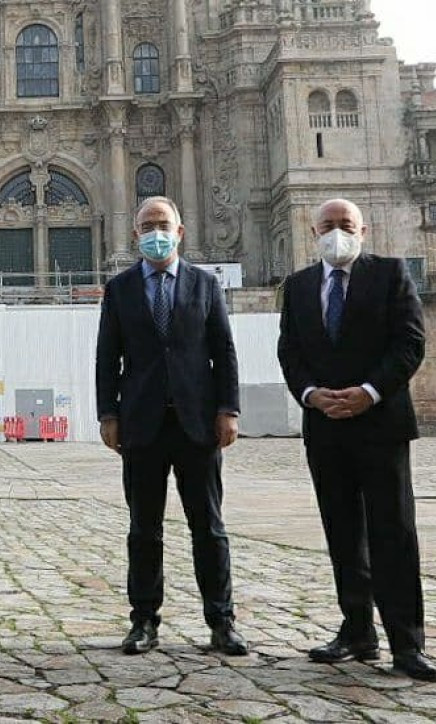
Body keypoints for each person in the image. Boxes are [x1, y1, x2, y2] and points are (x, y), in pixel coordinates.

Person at [277, 198, 435, 681]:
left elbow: (410, 342)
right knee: (342, 532)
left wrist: (369, 392)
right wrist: (310, 394)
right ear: (313, 233)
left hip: (380, 424)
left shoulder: (389, 275)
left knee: (394, 533)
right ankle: (357, 631)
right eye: (327, 225)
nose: (336, 233)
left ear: (363, 230)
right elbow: (290, 351)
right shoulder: (299, 286)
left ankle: (406, 643)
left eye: (345, 225)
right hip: (325, 426)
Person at [96, 196, 248, 656]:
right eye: (147, 226)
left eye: (162, 224)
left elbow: (224, 351)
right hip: (142, 424)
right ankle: (144, 620)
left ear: (180, 232)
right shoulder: (119, 289)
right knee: (144, 529)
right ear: (135, 234)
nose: (155, 233)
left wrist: (229, 409)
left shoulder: (205, 285)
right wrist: (108, 414)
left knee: (209, 527)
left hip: (196, 422)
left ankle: (221, 620)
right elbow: (107, 356)